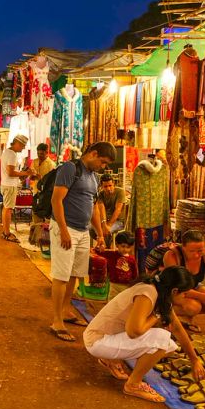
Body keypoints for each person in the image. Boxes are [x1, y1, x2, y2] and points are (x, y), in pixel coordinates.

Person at [84, 266, 205, 403]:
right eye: (185, 294)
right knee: (162, 338)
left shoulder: (160, 292)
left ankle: (110, 359)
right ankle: (133, 384)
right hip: (97, 341)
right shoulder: (148, 293)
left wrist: (195, 360)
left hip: (105, 337)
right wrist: (157, 315)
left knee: (170, 346)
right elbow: (133, 331)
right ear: (174, 291)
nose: (185, 297)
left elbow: (177, 329)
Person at [50, 141, 115, 342]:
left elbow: (93, 207)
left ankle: (67, 309)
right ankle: (56, 320)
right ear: (93, 154)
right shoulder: (71, 169)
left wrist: (99, 233)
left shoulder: (94, 177)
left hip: (82, 231)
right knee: (61, 275)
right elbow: (56, 200)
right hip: (66, 228)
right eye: (102, 162)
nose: (103, 167)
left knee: (74, 274)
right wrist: (63, 230)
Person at [161, 230, 205, 332]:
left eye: (200, 250)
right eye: (192, 251)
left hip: (192, 287)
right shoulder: (171, 256)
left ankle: (187, 319)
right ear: (183, 247)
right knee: (194, 307)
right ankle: (162, 313)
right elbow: (178, 286)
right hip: (172, 289)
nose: (196, 255)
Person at [0, 134, 30, 242]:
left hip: (6, 184)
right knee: (8, 209)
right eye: (23, 145)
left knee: (6, 208)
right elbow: (10, 172)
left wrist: (22, 174)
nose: (23, 148)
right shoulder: (12, 154)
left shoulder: (7, 152)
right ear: (17, 143)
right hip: (9, 185)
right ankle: (7, 233)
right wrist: (24, 173)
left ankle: (5, 231)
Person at [96, 173, 126, 245]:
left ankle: (106, 248)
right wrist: (104, 224)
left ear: (114, 184)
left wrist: (108, 225)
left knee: (105, 232)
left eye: (110, 185)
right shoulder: (100, 194)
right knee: (91, 228)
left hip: (118, 221)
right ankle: (104, 246)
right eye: (105, 186)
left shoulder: (120, 192)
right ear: (102, 186)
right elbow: (101, 209)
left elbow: (118, 210)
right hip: (105, 220)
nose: (108, 188)